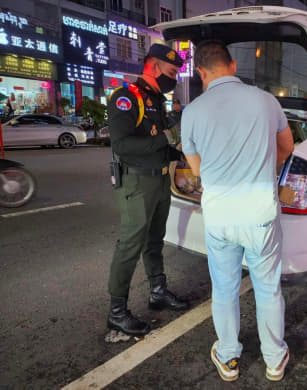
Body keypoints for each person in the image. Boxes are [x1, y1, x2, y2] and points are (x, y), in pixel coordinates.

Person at [181, 40, 294, 382]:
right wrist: (263, 167)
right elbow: (287, 147)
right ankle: (274, 359)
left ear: (200, 72)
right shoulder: (265, 101)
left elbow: (198, 170)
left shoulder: (192, 112)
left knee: (225, 288)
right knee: (268, 288)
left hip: (219, 215)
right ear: (232, 65)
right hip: (259, 212)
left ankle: (228, 357)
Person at [107, 43, 189, 337]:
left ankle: (157, 291)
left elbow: (163, 145)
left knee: (154, 241)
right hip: (137, 183)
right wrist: (166, 137)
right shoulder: (126, 97)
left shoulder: (157, 99)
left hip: (159, 180)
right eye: (170, 72)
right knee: (129, 245)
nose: (174, 79)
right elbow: (121, 144)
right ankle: (117, 312)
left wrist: (181, 161)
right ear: (153, 66)